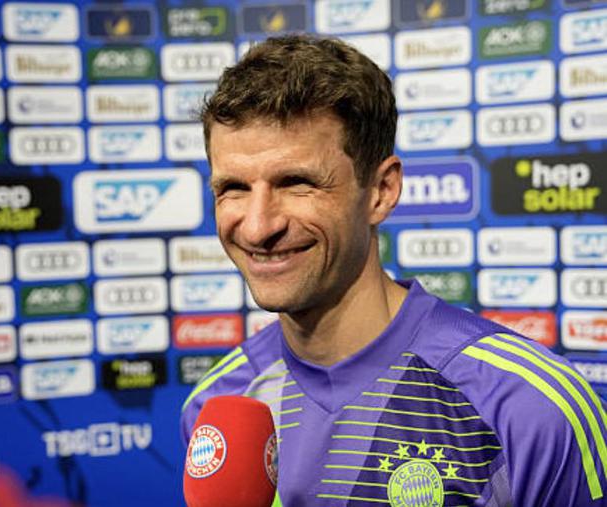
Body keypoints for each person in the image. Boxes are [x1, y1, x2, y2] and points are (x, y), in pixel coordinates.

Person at [180, 34, 607, 506]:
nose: (259, 226)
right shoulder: (218, 406)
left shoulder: (528, 408)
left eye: (297, 183)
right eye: (233, 188)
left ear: (382, 191)